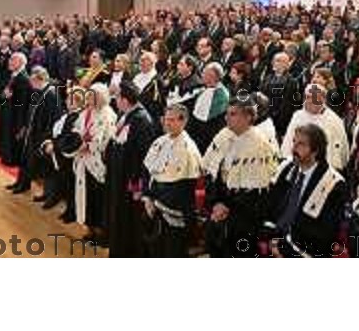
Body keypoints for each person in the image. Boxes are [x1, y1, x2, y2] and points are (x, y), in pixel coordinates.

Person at [202, 98, 279, 257]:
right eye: (227, 113)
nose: (227, 118)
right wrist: (216, 202)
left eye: (233, 114)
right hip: (218, 209)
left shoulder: (260, 144)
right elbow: (212, 172)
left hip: (244, 216)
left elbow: (258, 189)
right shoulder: (223, 135)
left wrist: (227, 207)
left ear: (248, 117)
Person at [269, 124, 347, 257]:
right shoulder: (288, 169)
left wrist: (284, 249)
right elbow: (272, 206)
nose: (293, 148)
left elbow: (326, 235)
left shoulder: (334, 184)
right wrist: (270, 236)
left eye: (301, 144)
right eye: (294, 142)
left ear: (315, 150)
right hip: (277, 239)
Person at [142, 104, 202, 257]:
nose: (167, 123)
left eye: (172, 120)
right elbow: (148, 171)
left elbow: (181, 186)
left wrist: (155, 202)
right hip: (155, 206)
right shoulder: (160, 141)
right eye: (166, 119)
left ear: (183, 122)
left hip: (174, 211)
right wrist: (148, 197)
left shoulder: (188, 149)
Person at [104, 81, 157, 257]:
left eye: (117, 96)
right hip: (119, 178)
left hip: (130, 182)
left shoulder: (141, 120)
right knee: (118, 218)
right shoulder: (127, 115)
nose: (115, 100)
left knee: (128, 222)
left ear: (126, 100)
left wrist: (137, 186)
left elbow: (143, 158)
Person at [38, 87, 87, 223]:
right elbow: (56, 131)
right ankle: (60, 203)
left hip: (67, 157)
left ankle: (71, 212)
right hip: (59, 153)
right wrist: (48, 141)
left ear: (77, 102)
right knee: (63, 182)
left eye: (70, 99)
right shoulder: (67, 114)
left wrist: (54, 145)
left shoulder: (77, 117)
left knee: (70, 185)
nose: (66, 101)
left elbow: (67, 138)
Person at [73, 83, 116, 238]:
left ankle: (101, 231)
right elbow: (77, 128)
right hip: (84, 159)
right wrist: (78, 140)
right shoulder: (86, 112)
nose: (89, 98)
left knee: (98, 197)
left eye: (92, 95)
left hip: (97, 161)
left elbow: (107, 139)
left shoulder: (107, 114)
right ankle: (90, 227)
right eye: (89, 95)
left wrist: (89, 145)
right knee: (87, 195)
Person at [15, 66, 62, 198]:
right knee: (25, 158)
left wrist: (46, 138)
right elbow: (30, 110)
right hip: (32, 131)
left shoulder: (52, 94)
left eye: (33, 81)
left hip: (42, 135)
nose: (31, 84)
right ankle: (22, 183)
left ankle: (47, 194)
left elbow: (54, 118)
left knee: (43, 166)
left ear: (40, 79)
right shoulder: (37, 91)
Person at [281, 84, 349, 172]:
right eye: (306, 97)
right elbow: (288, 143)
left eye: (312, 97)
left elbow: (336, 153)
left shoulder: (333, 121)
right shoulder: (298, 116)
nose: (307, 101)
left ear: (323, 99)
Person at [0, 52, 32, 172]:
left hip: (16, 116)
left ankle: (12, 160)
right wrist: (5, 95)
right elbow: (6, 92)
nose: (10, 62)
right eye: (10, 59)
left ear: (21, 62)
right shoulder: (14, 75)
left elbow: (22, 104)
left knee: (14, 139)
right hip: (9, 113)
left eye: (13, 60)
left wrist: (21, 125)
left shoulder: (23, 78)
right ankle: (7, 157)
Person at [188, 62, 230, 153]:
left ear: (212, 76)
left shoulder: (221, 95)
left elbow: (211, 117)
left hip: (209, 135)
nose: (202, 75)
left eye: (204, 73)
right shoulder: (205, 89)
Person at [132, 51, 165, 131]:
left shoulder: (156, 80)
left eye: (144, 60)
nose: (141, 63)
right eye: (140, 60)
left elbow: (157, 102)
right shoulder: (138, 76)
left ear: (151, 63)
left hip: (148, 115)